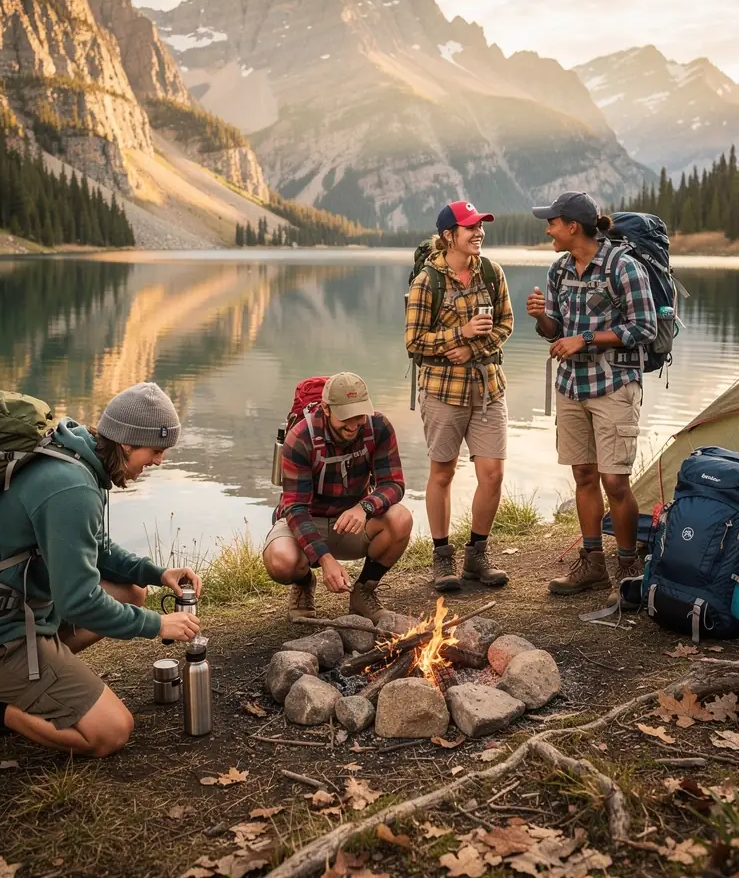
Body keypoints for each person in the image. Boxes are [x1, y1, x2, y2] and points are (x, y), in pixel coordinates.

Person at [0, 382, 202, 763]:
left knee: (132, 592)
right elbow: (79, 601)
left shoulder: (78, 458)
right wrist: (156, 626)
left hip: (12, 617)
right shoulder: (71, 488)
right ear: (128, 443)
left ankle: (18, 688)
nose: (160, 461)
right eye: (156, 450)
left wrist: (156, 572)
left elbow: (97, 548)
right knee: (111, 733)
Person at [525, 192, 657, 603]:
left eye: (552, 222)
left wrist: (583, 340)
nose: (547, 229)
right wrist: (542, 319)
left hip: (614, 387)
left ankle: (628, 565)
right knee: (583, 475)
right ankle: (592, 563)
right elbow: (556, 330)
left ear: (572, 227)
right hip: (571, 388)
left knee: (615, 480)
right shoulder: (559, 269)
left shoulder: (624, 267)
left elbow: (645, 327)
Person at [406, 201, 513, 593]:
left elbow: (506, 323)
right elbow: (414, 343)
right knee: (443, 473)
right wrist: (460, 335)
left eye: (480, 226)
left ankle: (477, 555)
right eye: (469, 227)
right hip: (442, 392)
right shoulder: (427, 282)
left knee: (493, 473)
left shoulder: (491, 272)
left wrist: (475, 348)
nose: (478, 233)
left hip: (489, 388)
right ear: (449, 235)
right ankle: (441, 556)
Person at [262, 372, 413, 623]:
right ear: (326, 409)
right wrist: (325, 559)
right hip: (307, 521)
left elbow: (394, 485)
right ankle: (303, 582)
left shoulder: (379, 427)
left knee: (401, 519)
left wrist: (364, 507)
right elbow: (296, 509)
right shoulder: (300, 438)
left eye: (360, 415)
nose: (354, 425)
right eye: (346, 417)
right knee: (281, 561)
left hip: (353, 520)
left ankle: (362, 593)